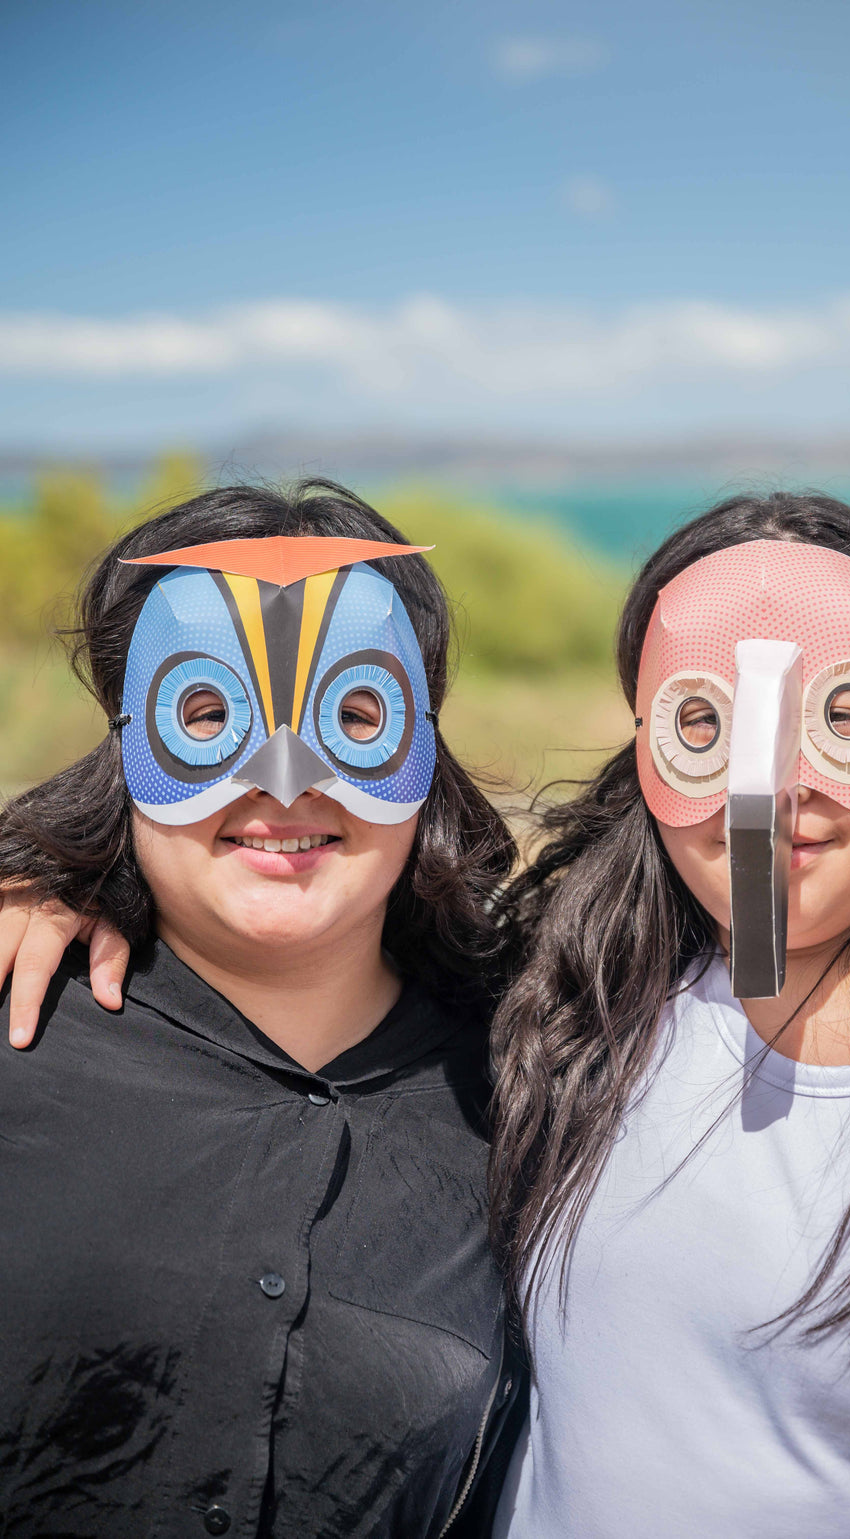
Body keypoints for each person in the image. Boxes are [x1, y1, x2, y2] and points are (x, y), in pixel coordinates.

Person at [488, 493, 850, 1538]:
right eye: (707, 724)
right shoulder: (553, 1004)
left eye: (843, 716)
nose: (774, 790)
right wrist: (80, 879)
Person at [0, 480, 525, 1539]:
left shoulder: (527, 1085)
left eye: (354, 713)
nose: (284, 781)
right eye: (206, 712)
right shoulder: (20, 1031)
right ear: (125, 741)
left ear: (423, 743)